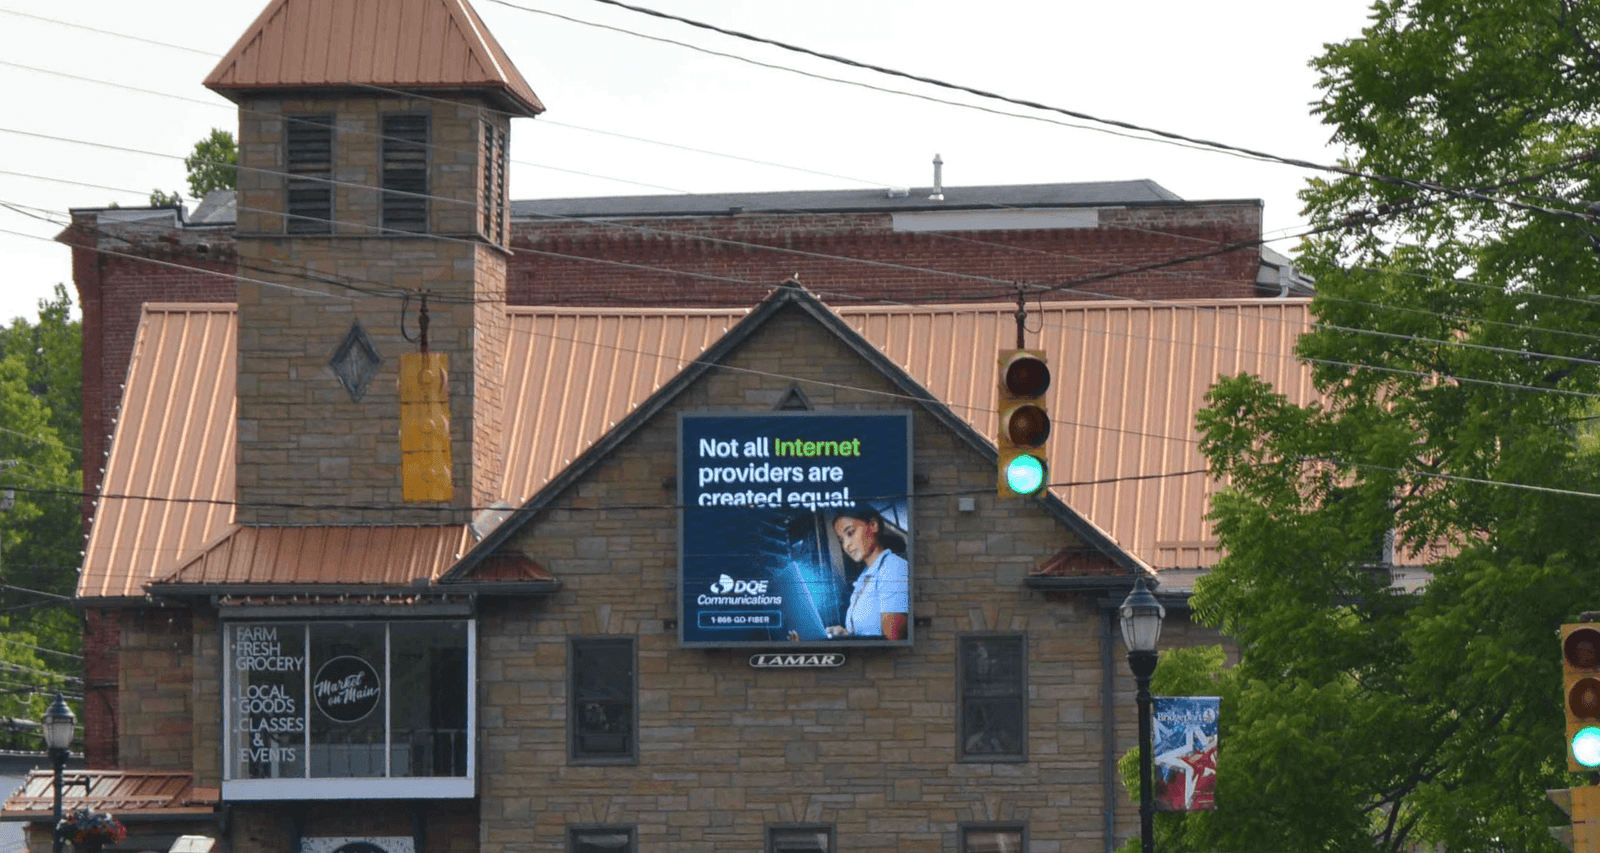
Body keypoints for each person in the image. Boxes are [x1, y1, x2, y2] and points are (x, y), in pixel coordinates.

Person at [824, 504, 909, 640]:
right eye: (841, 540)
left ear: (873, 525)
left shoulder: (894, 568)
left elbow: (892, 641)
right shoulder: (863, 578)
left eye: (850, 533)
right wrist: (845, 634)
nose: (846, 545)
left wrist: (849, 641)